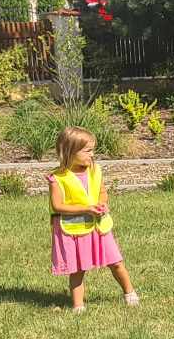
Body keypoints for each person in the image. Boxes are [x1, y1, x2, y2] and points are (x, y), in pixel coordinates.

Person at [49, 127, 139, 312]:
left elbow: (102, 193)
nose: (92, 154)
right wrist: (86, 209)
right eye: (87, 151)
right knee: (77, 270)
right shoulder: (57, 178)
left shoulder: (95, 170)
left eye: (93, 150)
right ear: (70, 152)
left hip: (99, 226)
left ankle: (130, 293)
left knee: (116, 262)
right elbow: (57, 206)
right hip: (75, 230)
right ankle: (78, 306)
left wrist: (102, 204)